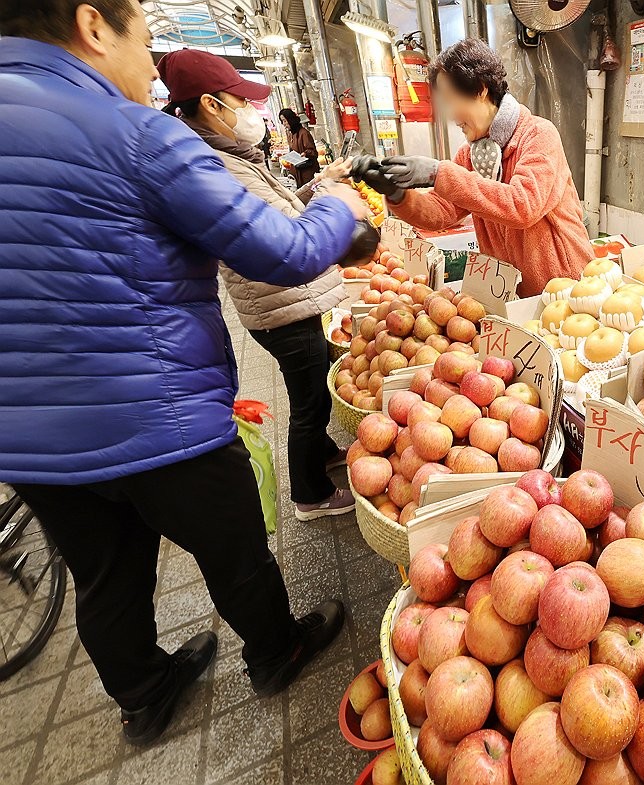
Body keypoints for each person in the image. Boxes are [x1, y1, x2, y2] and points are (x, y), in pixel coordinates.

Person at [0, 0, 369, 745]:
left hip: (28, 435)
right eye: (145, 39)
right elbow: (283, 250)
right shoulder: (135, 134)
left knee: (104, 575)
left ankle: (146, 694)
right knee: (232, 547)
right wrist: (338, 208)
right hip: (157, 414)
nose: (149, 65)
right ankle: (276, 650)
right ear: (92, 24)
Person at [158, 48, 357, 521]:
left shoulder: (226, 157)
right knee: (308, 402)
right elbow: (289, 236)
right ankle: (311, 495)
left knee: (312, 395)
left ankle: (324, 453)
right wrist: (338, 199)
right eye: (240, 101)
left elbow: (275, 212)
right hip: (285, 307)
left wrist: (316, 184)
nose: (250, 112)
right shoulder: (218, 167)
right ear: (211, 104)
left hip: (283, 304)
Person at [352, 38, 592, 297]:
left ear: (480, 89)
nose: (452, 115)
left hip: (566, 289)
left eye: (452, 99)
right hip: (511, 292)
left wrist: (437, 172)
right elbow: (440, 212)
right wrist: (397, 193)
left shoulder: (537, 134)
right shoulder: (470, 154)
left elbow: (523, 206)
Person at [280, 106, 319, 186]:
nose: (284, 124)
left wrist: (305, 153)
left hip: (307, 173)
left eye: (285, 121)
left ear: (291, 120)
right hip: (297, 172)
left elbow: (313, 152)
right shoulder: (291, 134)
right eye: (282, 121)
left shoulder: (304, 133)